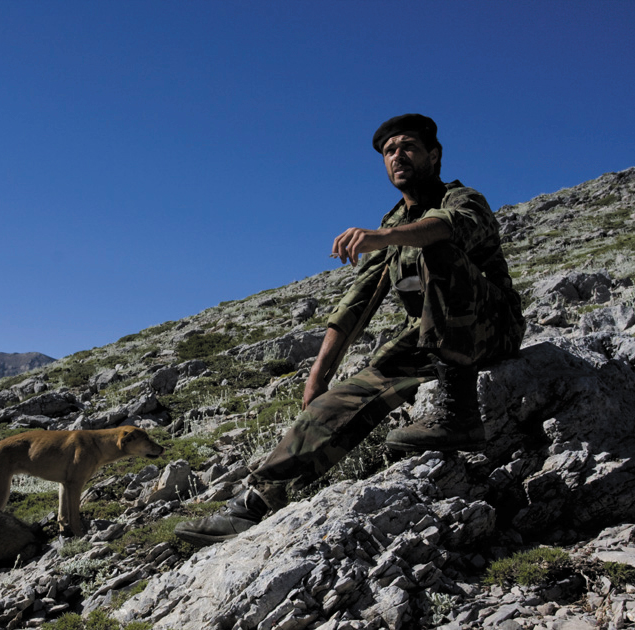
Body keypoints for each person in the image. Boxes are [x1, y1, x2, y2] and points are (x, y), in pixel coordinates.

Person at [174, 113, 526, 547]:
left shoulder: (461, 199)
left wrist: (385, 235)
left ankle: (458, 413)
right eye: (389, 151)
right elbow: (359, 300)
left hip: (492, 330)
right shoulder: (396, 218)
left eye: (409, 146)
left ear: (434, 156)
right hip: (429, 341)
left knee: (437, 249)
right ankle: (254, 503)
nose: (398, 155)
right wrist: (319, 375)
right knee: (339, 401)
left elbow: (448, 230)